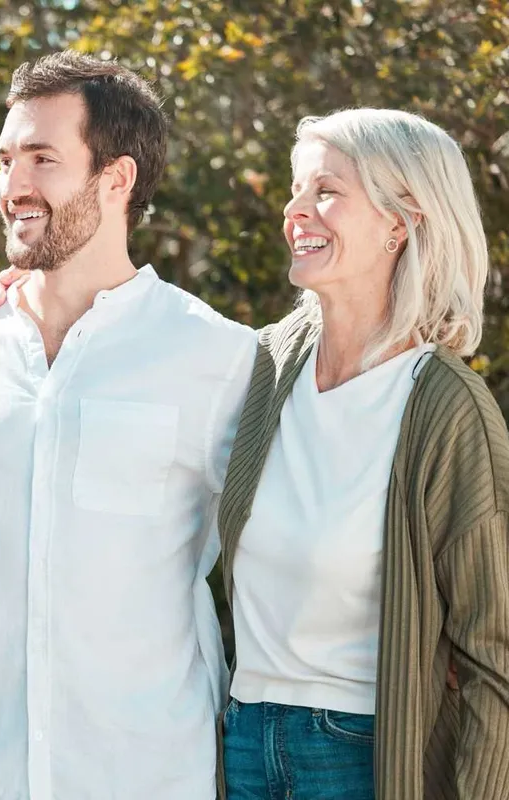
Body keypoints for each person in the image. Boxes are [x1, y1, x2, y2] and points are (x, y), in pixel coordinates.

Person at [0, 50, 256, 799]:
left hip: (153, 774)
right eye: (5, 159)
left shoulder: (218, 357)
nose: (12, 186)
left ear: (116, 178)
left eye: (42, 158)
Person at [216, 109, 509, 799]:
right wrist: (24, 296)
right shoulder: (259, 366)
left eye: (326, 190)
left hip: (362, 758)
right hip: (243, 743)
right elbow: (133, 343)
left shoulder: (445, 410)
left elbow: (493, 658)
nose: (295, 211)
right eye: (296, 189)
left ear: (400, 221)